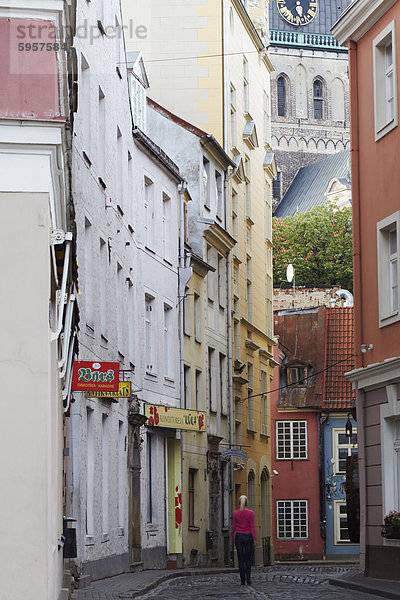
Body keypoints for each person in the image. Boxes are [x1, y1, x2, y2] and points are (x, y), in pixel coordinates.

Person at [231, 495, 256, 585]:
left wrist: (231, 539)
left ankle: (242, 580)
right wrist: (255, 538)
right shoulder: (250, 513)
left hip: (239, 536)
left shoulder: (235, 513)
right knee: (248, 559)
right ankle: (248, 578)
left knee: (240, 559)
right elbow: (252, 526)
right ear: (247, 503)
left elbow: (233, 527)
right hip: (248, 536)